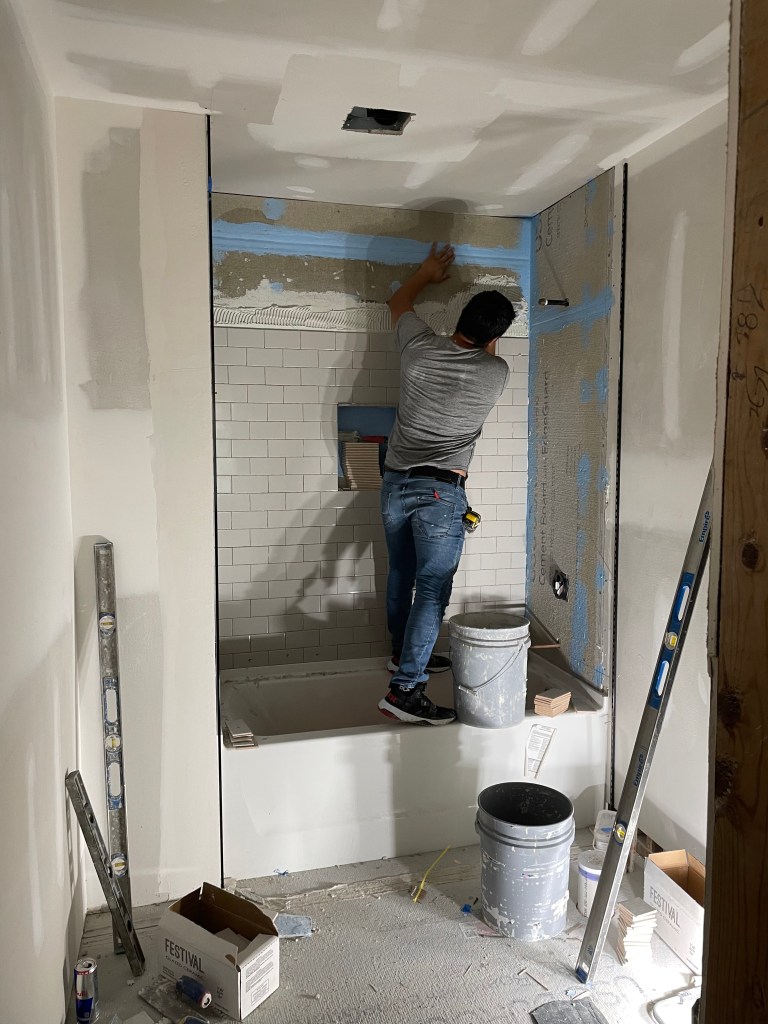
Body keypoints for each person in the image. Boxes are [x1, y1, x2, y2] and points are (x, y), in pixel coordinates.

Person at [378, 242, 516, 725]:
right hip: (441, 494)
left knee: (401, 573)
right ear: (496, 337)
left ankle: (401, 656)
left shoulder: (418, 349)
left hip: (395, 485)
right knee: (432, 589)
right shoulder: (494, 373)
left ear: (458, 316)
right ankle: (405, 690)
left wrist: (427, 273)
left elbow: (398, 303)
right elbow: (485, 350)